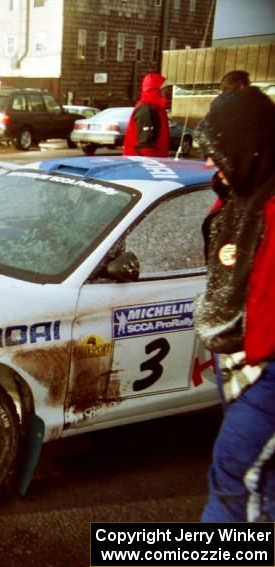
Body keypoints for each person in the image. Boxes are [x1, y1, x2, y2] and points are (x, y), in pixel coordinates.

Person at [193, 86, 275, 522]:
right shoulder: (236, 199)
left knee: (233, 478)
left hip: (269, 374)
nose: (209, 163)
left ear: (250, 148)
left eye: (217, 152)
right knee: (262, 484)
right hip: (237, 364)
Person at [122, 73, 170, 157]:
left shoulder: (157, 108)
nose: (166, 90)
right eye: (164, 88)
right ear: (155, 89)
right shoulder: (147, 109)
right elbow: (144, 144)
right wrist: (150, 164)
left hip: (154, 160)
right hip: (145, 163)